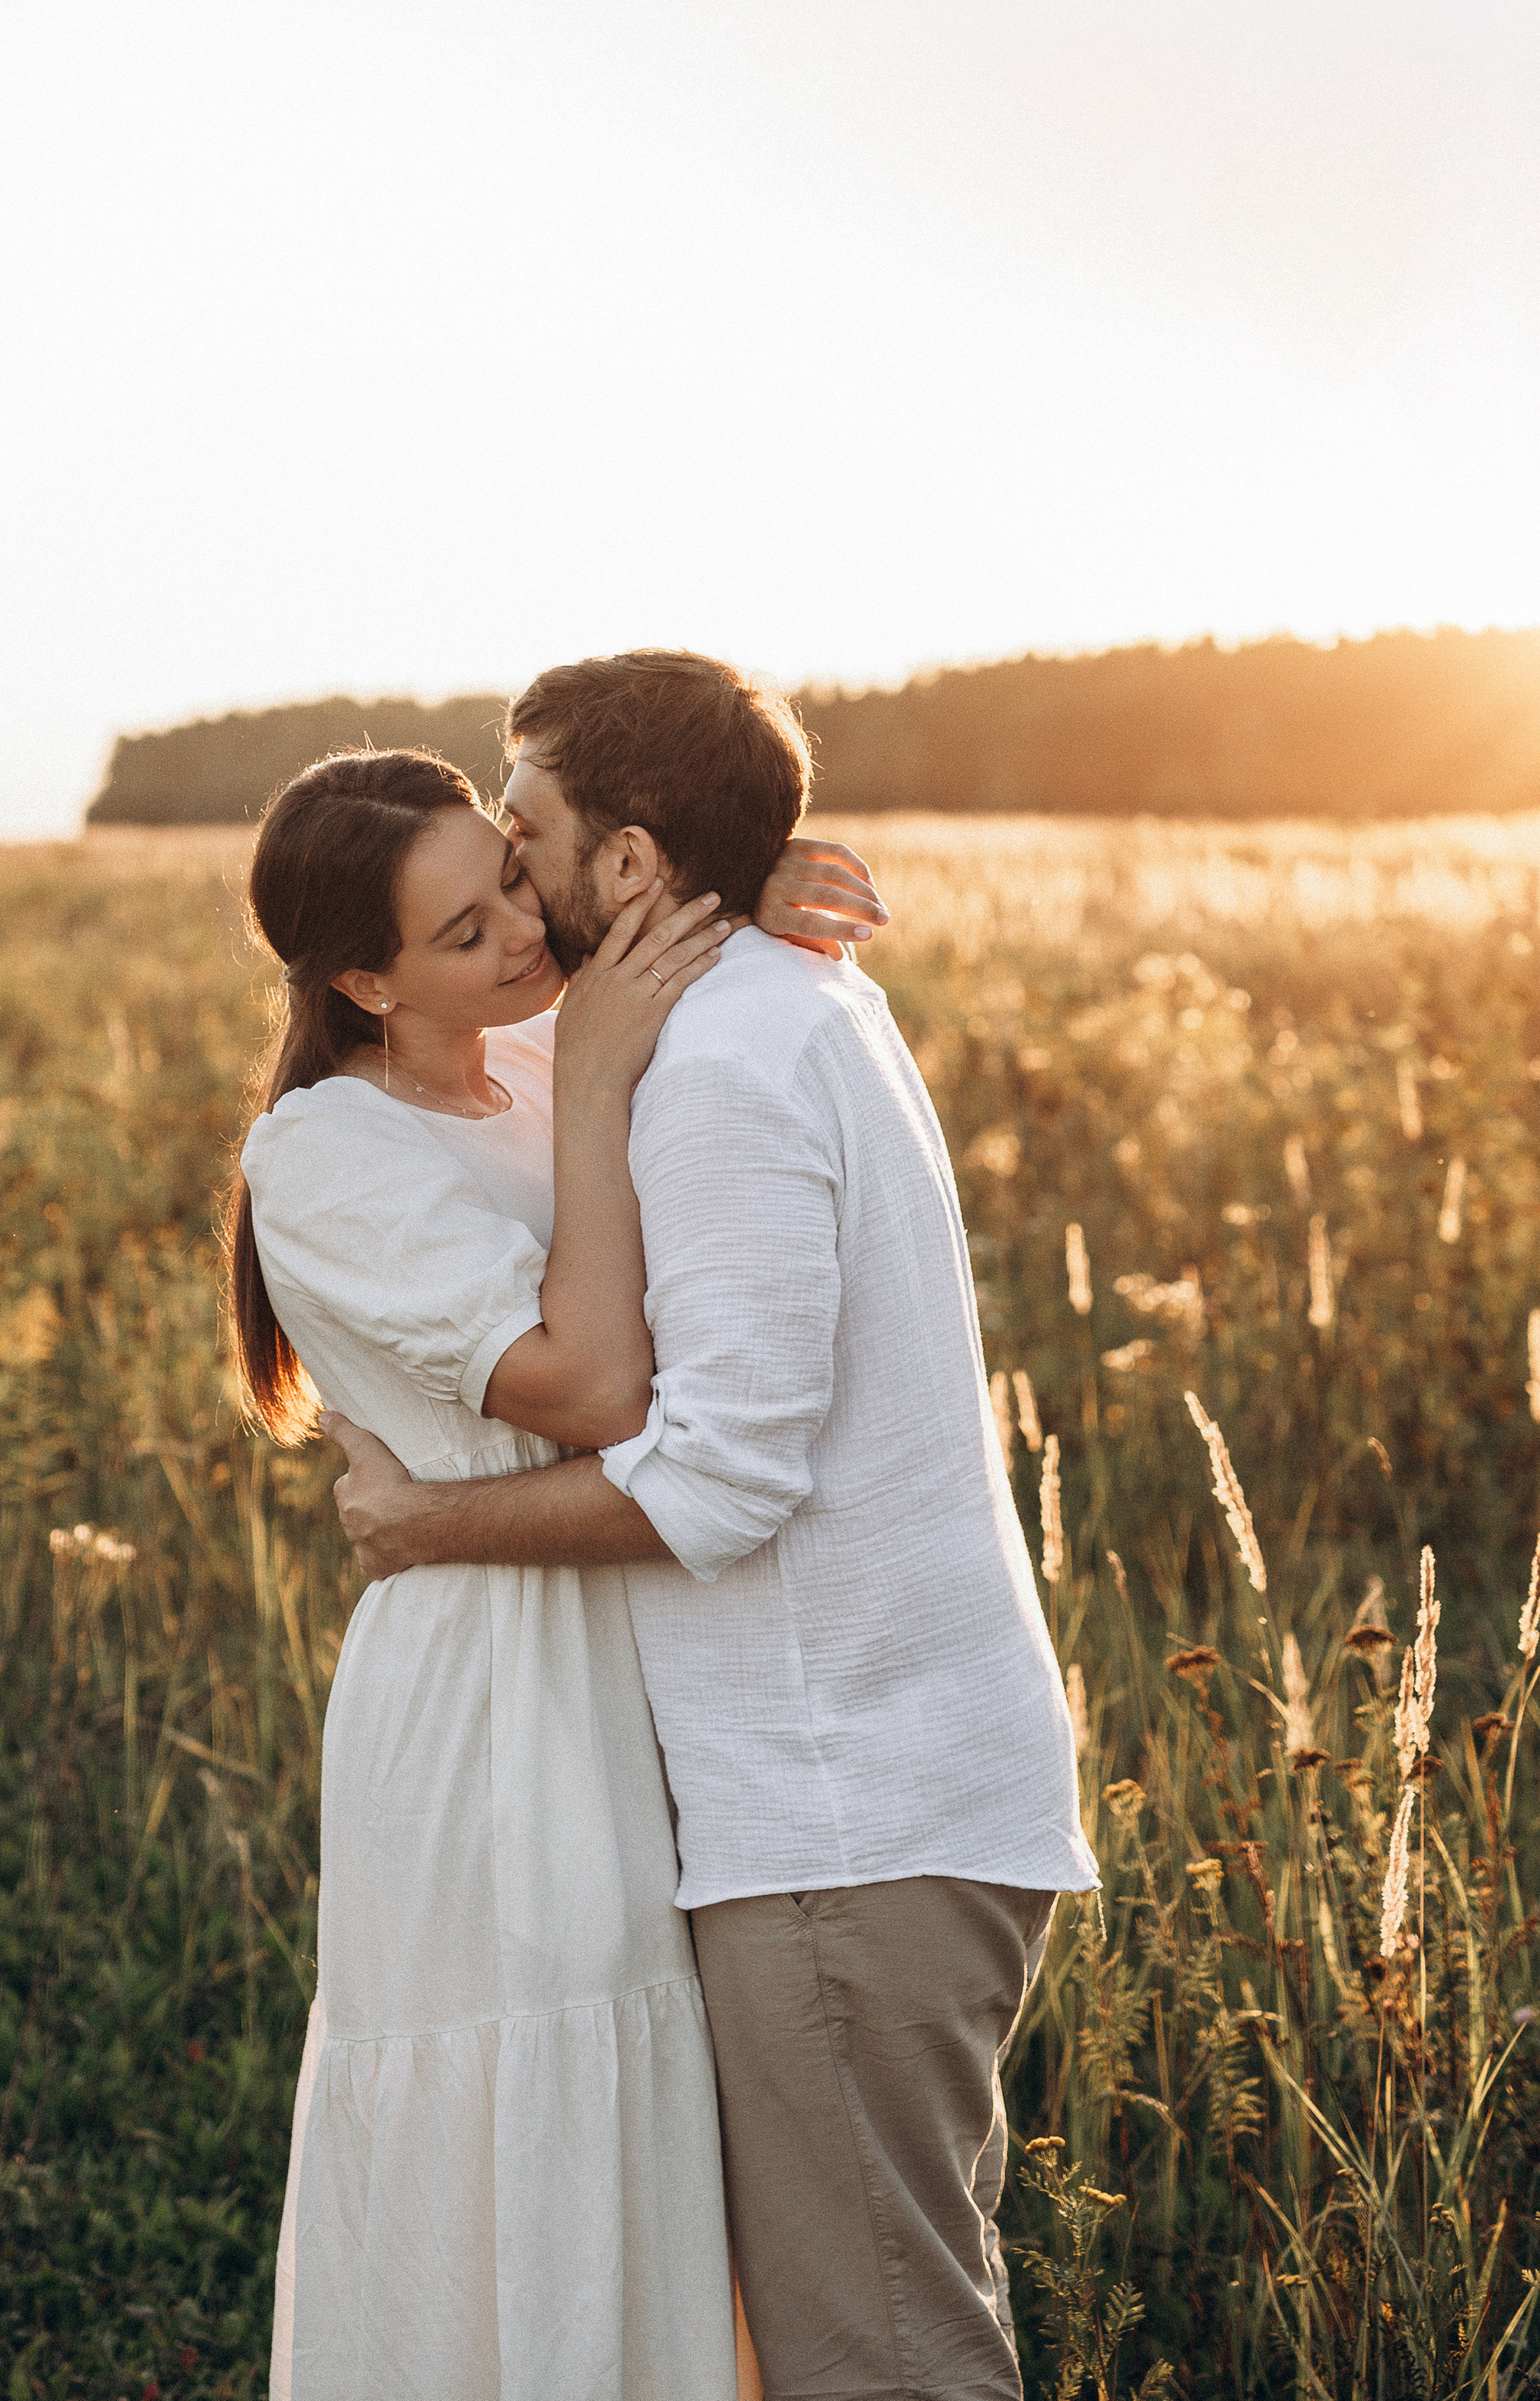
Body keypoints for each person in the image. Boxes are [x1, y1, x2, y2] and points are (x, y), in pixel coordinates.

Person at [325, 650, 1101, 2401]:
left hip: (844, 1818)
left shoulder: (722, 1069)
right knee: (877, 2314)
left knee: (876, 2357)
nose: (502, 861)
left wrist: (430, 1522)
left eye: (525, 829)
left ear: (628, 863)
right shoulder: (784, 995)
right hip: (883, 1798)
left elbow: (722, 1479)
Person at [228, 743, 882, 2400]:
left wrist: (741, 887)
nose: (524, 933)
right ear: (364, 983)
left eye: (512, 879)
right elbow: (592, 1389)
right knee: (525, 2093)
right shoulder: (325, 1155)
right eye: (463, 934)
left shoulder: (523, 1059)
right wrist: (591, 1085)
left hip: (636, 1643)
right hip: (490, 1700)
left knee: (649, 2113)